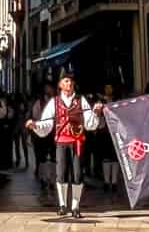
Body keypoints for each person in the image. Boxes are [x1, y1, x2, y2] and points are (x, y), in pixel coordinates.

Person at [26, 71, 104, 219]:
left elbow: (90, 124)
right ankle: (62, 205)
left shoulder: (81, 101)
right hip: (61, 142)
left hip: (77, 142)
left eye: (71, 82)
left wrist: (96, 113)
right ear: (60, 85)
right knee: (61, 173)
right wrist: (35, 126)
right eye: (66, 81)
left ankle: (75, 207)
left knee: (77, 174)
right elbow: (47, 123)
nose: (69, 84)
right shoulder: (54, 102)